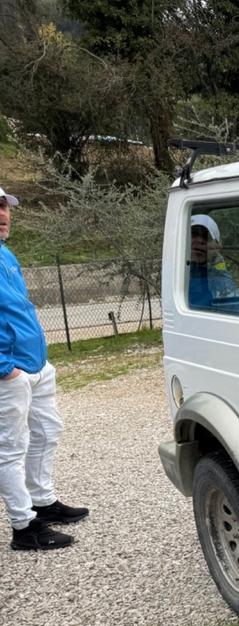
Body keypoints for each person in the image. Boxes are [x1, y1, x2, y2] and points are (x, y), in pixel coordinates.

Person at [0, 185, 89, 550]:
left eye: (5, 207)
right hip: (11, 370)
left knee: (48, 431)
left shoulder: (6, 254)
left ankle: (43, 500)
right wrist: (5, 366)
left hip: (35, 364)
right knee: (10, 448)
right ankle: (24, 527)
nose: (3, 214)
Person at [187, 213, 239, 314]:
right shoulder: (176, 275)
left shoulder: (224, 284)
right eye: (194, 234)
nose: (199, 240)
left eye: (205, 236)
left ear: (217, 246)